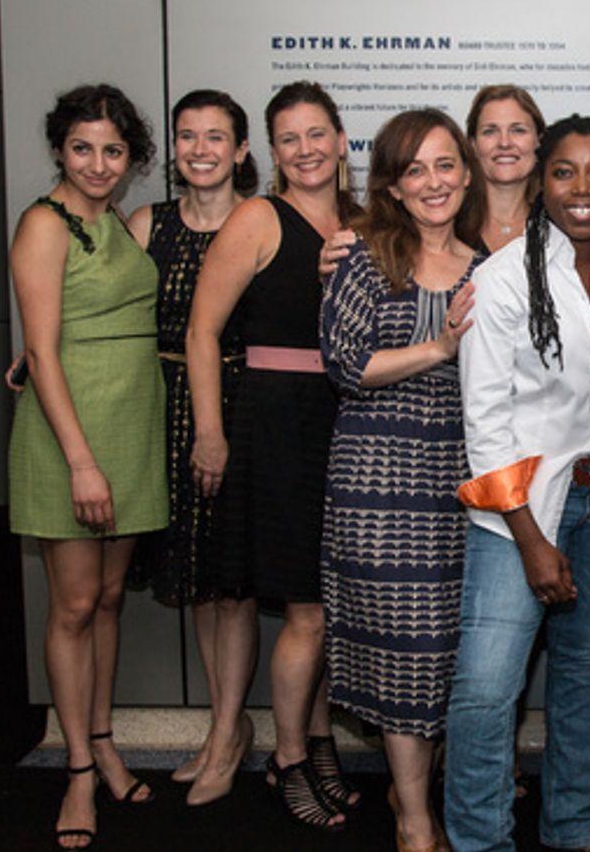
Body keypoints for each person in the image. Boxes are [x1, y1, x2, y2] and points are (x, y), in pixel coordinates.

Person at [444, 114, 590, 852]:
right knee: (486, 686)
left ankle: (573, 824)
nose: (582, 188)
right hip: (519, 513)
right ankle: (479, 839)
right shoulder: (501, 279)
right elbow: (485, 426)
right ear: (542, 181)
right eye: (564, 171)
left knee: (579, 675)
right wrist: (532, 540)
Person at [186, 80, 361, 831]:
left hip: (351, 422)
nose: (306, 148)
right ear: (271, 150)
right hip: (277, 423)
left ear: (342, 139)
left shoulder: (365, 220)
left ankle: (319, 742)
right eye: (289, 138)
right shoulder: (260, 217)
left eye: (317, 133)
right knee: (307, 605)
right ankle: (286, 757)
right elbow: (201, 332)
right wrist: (211, 431)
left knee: (327, 603)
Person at [319, 108, 483, 852]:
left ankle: (413, 784)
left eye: (445, 164)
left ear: (468, 172)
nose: (433, 181)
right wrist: (440, 346)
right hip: (378, 486)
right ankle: (415, 817)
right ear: (390, 184)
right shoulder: (366, 258)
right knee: (405, 651)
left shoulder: (488, 268)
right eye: (414, 169)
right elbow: (346, 366)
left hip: (460, 487)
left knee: (449, 651)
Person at [8, 83, 165, 850]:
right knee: (72, 606)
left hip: (131, 422)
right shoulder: (44, 223)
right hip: (71, 432)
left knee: (108, 599)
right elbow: (40, 350)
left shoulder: (125, 224)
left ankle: (103, 738)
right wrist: (80, 462)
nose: (98, 163)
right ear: (59, 150)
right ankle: (75, 769)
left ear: (130, 157)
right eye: (83, 147)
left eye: (113, 149)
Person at [121, 89, 259, 805]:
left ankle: (231, 731)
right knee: (201, 581)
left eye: (216, 137)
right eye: (187, 136)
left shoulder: (259, 220)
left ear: (241, 150)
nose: (200, 149)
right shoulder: (149, 223)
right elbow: (99, 305)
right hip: (167, 411)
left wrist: (219, 432)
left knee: (232, 584)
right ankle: (221, 725)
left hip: (240, 411)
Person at [466, 83, 545, 253]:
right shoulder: (450, 223)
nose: (504, 143)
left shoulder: (558, 225)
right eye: (490, 131)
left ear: (538, 141)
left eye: (518, 130)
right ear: (473, 145)